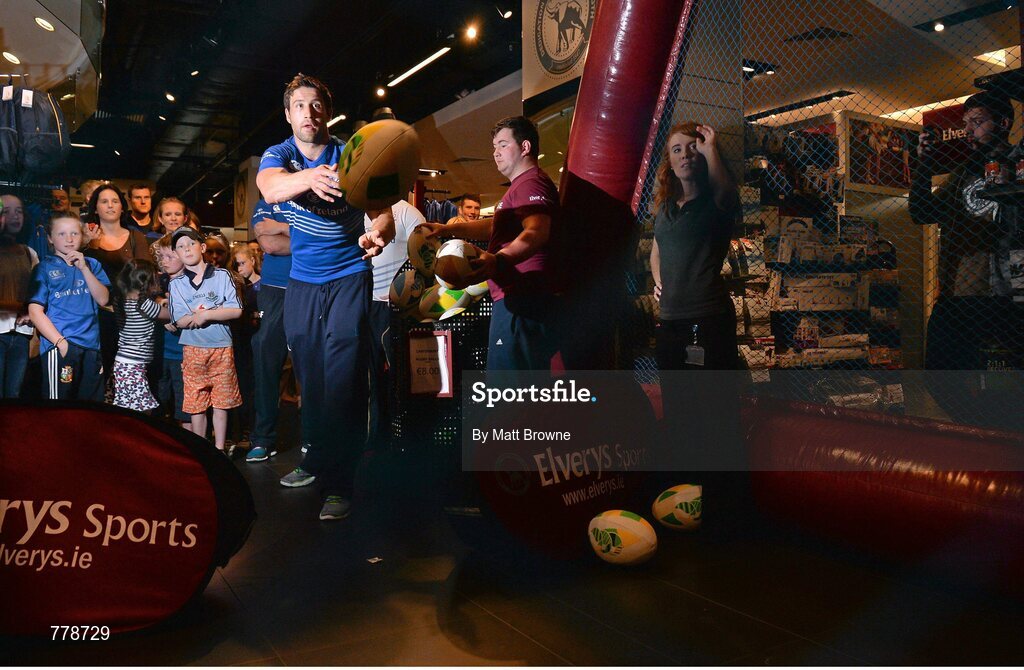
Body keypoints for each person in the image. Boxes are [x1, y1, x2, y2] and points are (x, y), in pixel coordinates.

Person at [256, 72, 394, 520]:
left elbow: (384, 213)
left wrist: (377, 233)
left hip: (349, 276)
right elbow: (270, 187)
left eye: (316, 105)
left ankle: (340, 483)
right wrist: (309, 177)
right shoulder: (281, 154)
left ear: (328, 112)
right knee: (310, 377)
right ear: (288, 114)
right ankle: (315, 458)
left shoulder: (351, 153)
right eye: (299, 105)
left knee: (343, 378)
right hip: (302, 282)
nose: (308, 113)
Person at [421, 115, 562, 371]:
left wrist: (499, 260)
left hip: (523, 298)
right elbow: (494, 227)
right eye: (494, 147)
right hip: (516, 298)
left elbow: (538, 231)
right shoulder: (519, 186)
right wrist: (448, 228)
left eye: (503, 145)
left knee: (512, 388)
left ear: (525, 147)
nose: (495, 153)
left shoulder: (531, 182)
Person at [910, 91, 1024, 373]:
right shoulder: (963, 173)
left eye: (978, 121)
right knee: (940, 376)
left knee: (998, 380)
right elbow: (922, 213)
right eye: (965, 124)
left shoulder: (1016, 163)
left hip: (1003, 295)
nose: (968, 130)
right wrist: (924, 163)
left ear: (1003, 123)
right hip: (955, 294)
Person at [649, 122, 739, 371]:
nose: (685, 155)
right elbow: (657, 251)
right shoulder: (665, 206)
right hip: (669, 320)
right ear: (670, 161)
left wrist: (710, 149)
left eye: (693, 148)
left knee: (711, 394)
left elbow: (725, 191)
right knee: (675, 393)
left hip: (708, 317)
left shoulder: (716, 201)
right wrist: (659, 282)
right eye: (677, 150)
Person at [167, 227, 243, 454]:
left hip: (221, 347)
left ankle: (219, 449)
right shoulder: (176, 284)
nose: (186, 249)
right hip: (193, 349)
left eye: (191, 244)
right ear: (176, 253)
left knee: (222, 401)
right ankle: (201, 450)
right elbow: (179, 319)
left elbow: (236, 309)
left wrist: (206, 314)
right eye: (180, 246)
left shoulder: (222, 276)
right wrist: (213, 311)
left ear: (202, 247)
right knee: (195, 402)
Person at [27, 215, 111, 401]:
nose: (69, 239)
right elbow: (35, 311)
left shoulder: (92, 264)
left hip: (92, 347)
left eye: (74, 233)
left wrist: (84, 269)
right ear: (50, 238)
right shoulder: (44, 268)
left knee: (91, 406)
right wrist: (60, 343)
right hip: (62, 346)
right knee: (60, 406)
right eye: (62, 234)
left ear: (82, 236)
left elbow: (103, 299)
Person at [365, 199, 426, 448]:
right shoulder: (355, 210)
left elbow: (424, 258)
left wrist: (407, 296)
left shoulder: (408, 213)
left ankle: (406, 437)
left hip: (395, 305)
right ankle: (375, 439)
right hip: (363, 304)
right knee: (370, 378)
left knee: (401, 375)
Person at [84, 184, 151, 391]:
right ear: (95, 208)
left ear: (122, 207)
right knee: (98, 377)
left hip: (130, 316)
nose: (110, 205)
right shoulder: (86, 240)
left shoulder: (136, 237)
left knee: (130, 379)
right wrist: (89, 245)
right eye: (104, 201)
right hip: (96, 317)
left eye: (115, 201)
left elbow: (146, 277)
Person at [247, 200, 297, 462]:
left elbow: (324, 240)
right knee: (266, 362)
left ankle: (314, 438)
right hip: (274, 290)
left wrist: (280, 228)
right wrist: (306, 237)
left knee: (310, 366)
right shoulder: (267, 201)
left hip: (308, 286)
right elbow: (269, 244)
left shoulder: (314, 200)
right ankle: (263, 439)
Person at [112, 259, 168, 413]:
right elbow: (171, 315)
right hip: (133, 365)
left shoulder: (121, 301)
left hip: (123, 362)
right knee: (143, 410)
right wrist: (166, 301)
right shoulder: (145, 305)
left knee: (128, 408)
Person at [0, 201, 39, 397]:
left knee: (14, 395)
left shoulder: (29, 253)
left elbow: (38, 292)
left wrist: (31, 312)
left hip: (22, 334)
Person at [153, 234, 190, 430]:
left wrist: (172, 315)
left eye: (170, 256)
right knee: (159, 401)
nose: (164, 261)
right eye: (162, 256)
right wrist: (160, 303)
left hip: (182, 354)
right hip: (161, 353)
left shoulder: (193, 281)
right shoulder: (158, 282)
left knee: (185, 406)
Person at [229, 242, 262, 447]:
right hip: (241, 343)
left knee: (256, 388)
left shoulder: (263, 285)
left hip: (258, 342)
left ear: (252, 260)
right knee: (243, 387)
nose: (239, 268)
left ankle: (254, 430)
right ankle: (243, 430)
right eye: (236, 265)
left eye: (242, 263)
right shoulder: (238, 286)